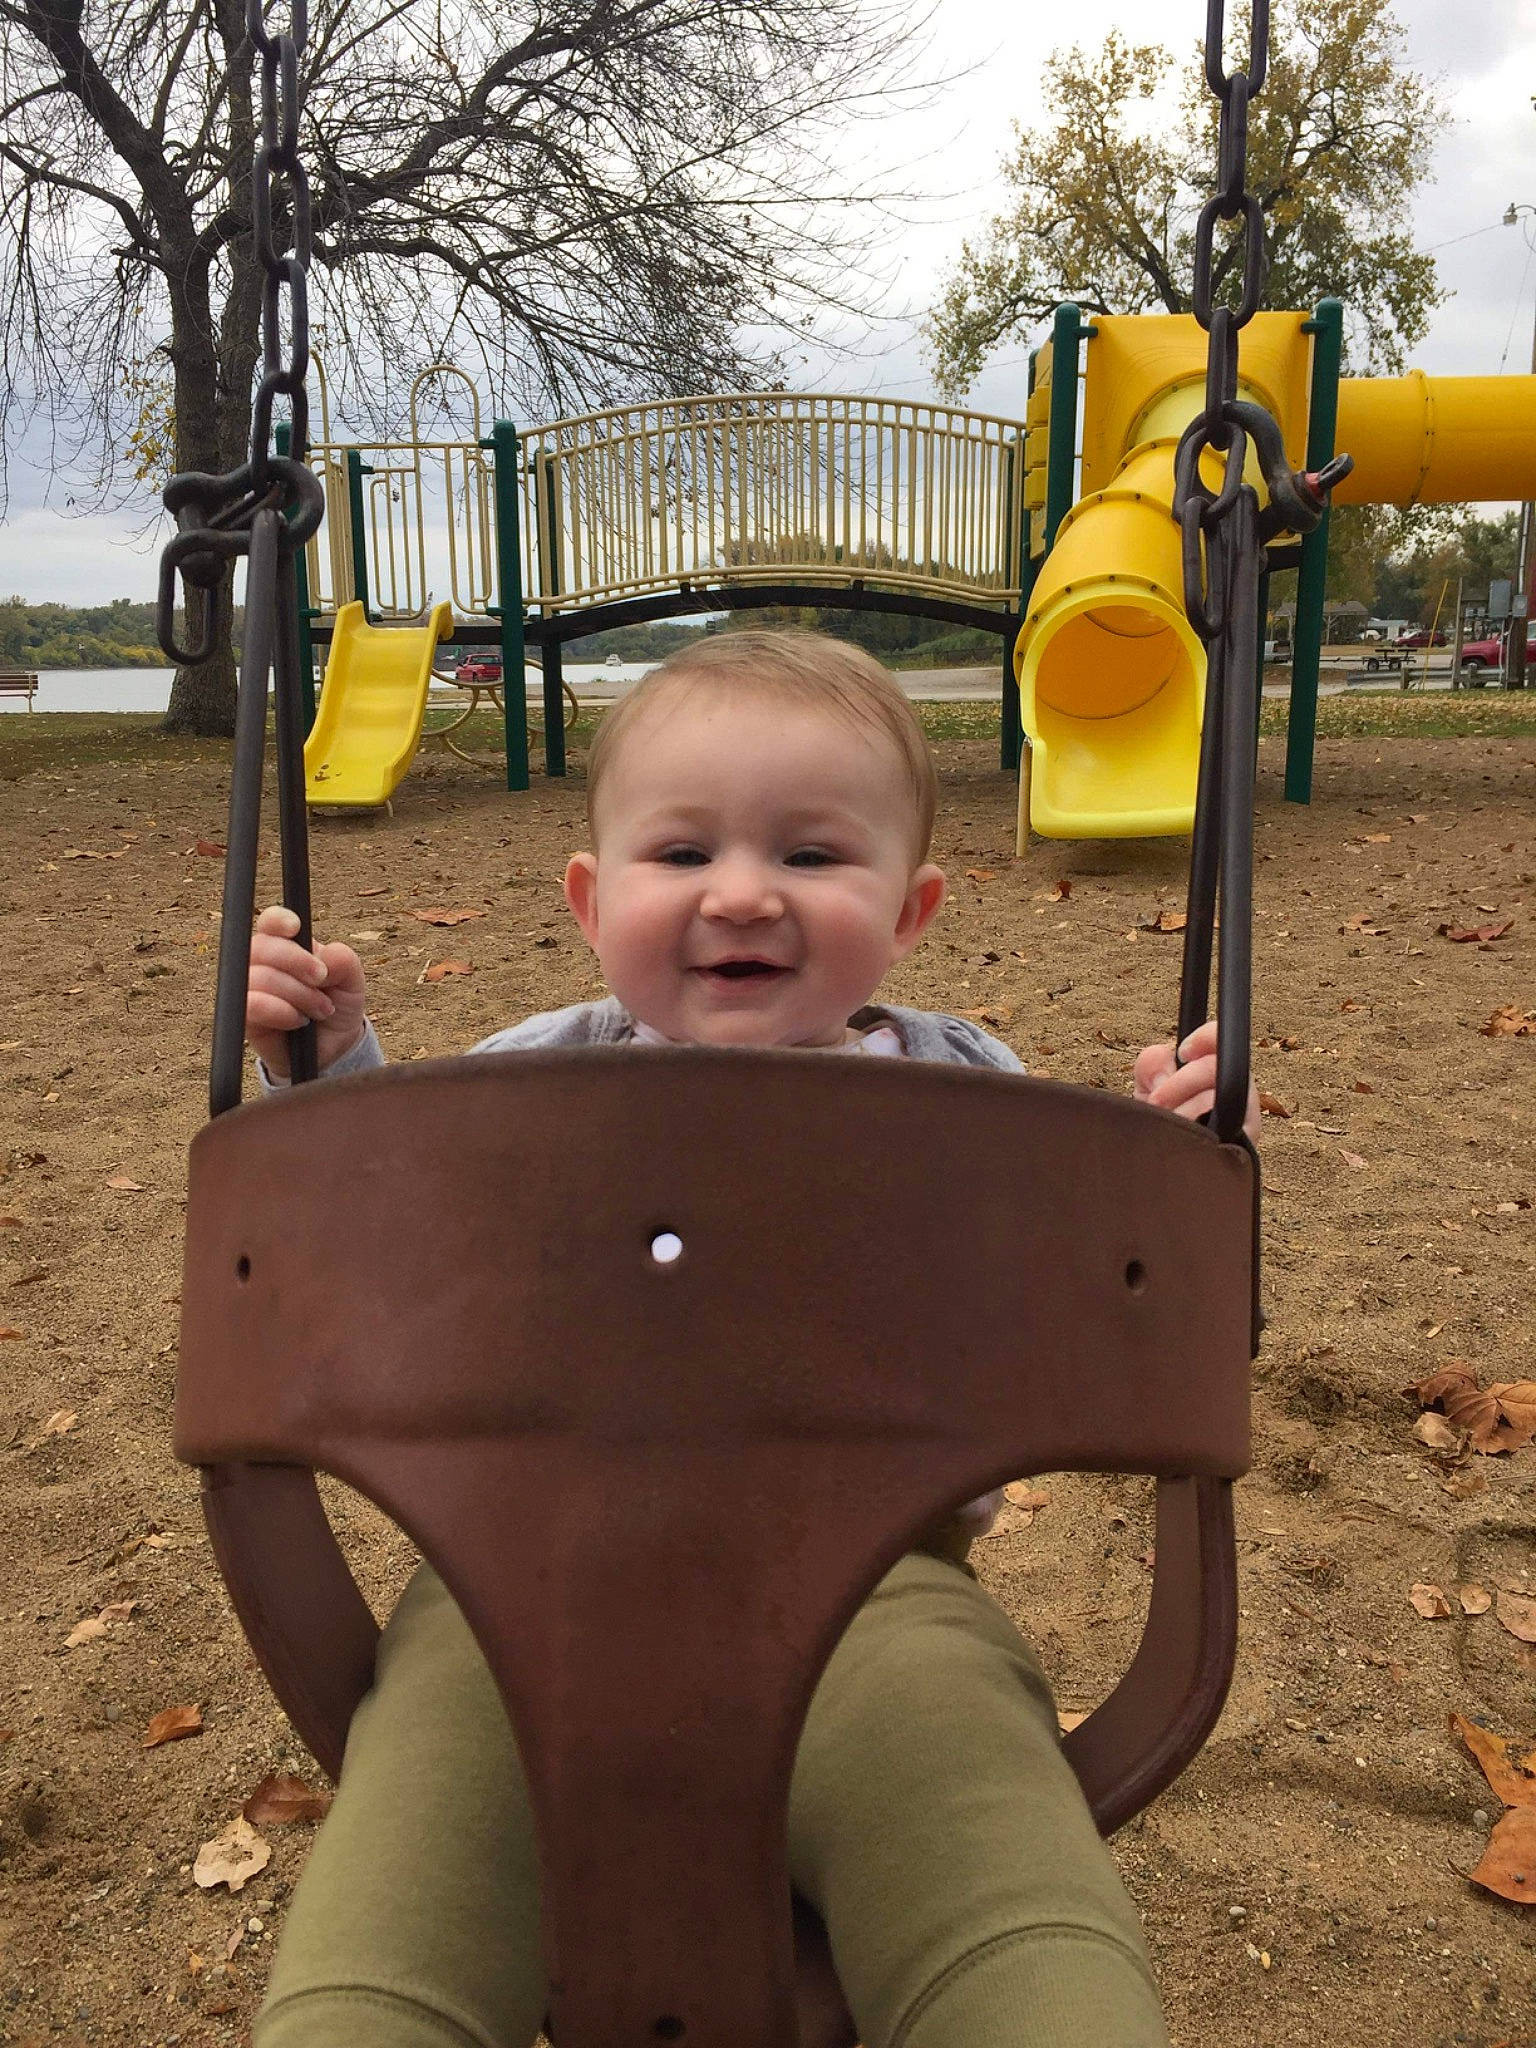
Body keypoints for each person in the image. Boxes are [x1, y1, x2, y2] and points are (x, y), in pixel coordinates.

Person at [244, 631, 1257, 2048]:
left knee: (1013, 1910)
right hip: (506, 1604)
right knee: (384, 1948)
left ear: (909, 910)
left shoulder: (969, 1093)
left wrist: (1166, 1173)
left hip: (875, 1603)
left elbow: (1095, 1302)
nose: (740, 893)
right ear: (593, 901)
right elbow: (385, 1235)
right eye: (681, 852)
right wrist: (324, 1065)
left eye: (810, 854)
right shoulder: (534, 1079)